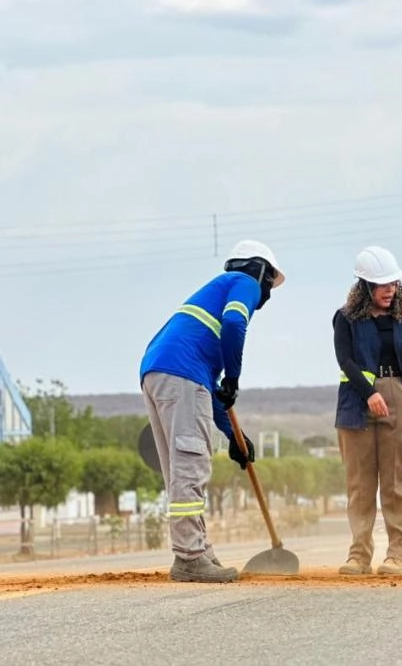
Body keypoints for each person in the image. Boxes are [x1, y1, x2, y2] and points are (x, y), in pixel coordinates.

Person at [140, 240, 284, 583]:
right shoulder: (244, 284)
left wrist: (235, 438)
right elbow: (236, 324)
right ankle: (189, 559)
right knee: (191, 465)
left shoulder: (212, 294)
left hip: (159, 372)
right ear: (260, 270)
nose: (266, 294)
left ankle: (199, 550)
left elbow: (214, 394)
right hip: (182, 375)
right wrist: (234, 378)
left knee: (180, 469)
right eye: (270, 283)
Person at [334, 245, 402, 576]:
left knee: (396, 481)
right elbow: (345, 360)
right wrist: (369, 393)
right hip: (356, 403)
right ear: (365, 287)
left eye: (394, 284)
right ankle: (359, 555)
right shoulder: (345, 319)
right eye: (383, 284)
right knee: (360, 484)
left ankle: (398, 555)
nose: (391, 290)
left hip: (399, 402)